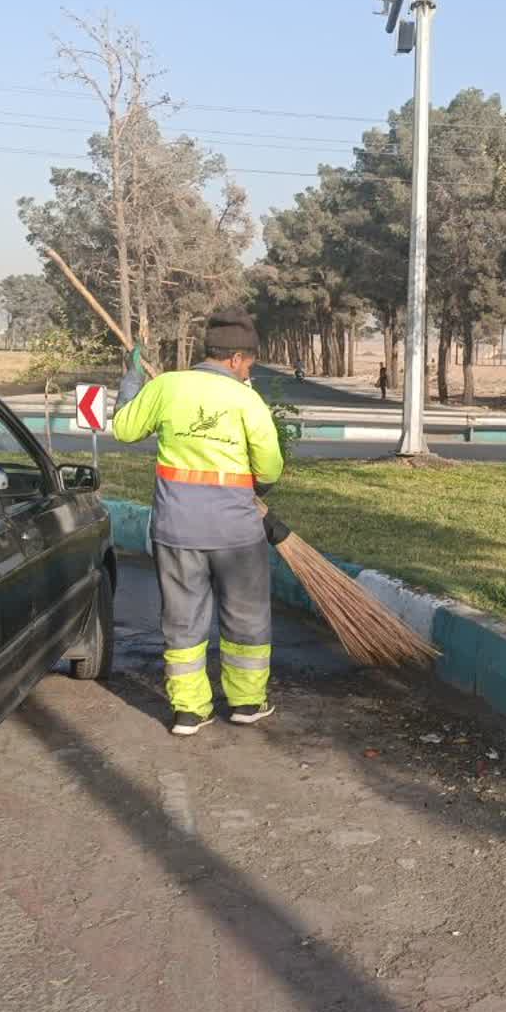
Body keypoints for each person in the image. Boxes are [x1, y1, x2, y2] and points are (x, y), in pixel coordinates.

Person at [113, 307, 285, 736]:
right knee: (245, 617)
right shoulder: (247, 400)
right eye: (249, 363)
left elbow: (123, 428)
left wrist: (132, 379)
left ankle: (189, 711)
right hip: (236, 533)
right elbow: (270, 468)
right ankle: (246, 702)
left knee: (183, 618)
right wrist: (255, 488)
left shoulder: (166, 387)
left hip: (176, 530)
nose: (249, 372)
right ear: (234, 359)